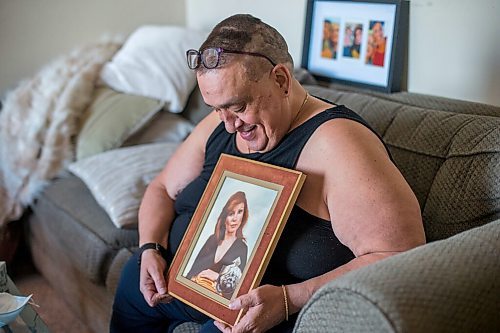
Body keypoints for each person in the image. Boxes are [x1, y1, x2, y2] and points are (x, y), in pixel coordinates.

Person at [110, 14, 425, 333]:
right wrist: (150, 247)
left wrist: (291, 298)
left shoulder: (339, 144)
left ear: (281, 80)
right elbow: (162, 188)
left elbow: (400, 256)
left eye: (238, 107)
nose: (228, 124)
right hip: (194, 282)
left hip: (261, 309)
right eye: (216, 109)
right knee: (133, 274)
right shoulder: (222, 124)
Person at [185, 191, 249, 300]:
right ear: (224, 217)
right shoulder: (212, 239)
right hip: (193, 293)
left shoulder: (242, 248)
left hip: (213, 301)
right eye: (231, 213)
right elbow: (192, 271)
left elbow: (238, 288)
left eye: (240, 212)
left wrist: (217, 277)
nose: (235, 218)